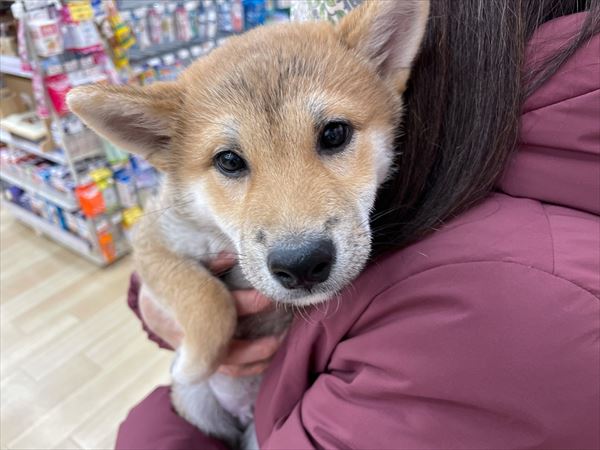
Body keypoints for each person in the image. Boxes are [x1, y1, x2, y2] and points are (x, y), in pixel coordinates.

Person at [116, 0, 600, 448]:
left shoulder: (502, 293)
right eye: (231, 162)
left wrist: (155, 420)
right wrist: (175, 310)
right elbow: (163, 238)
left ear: (388, 60)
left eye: (333, 136)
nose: (295, 231)